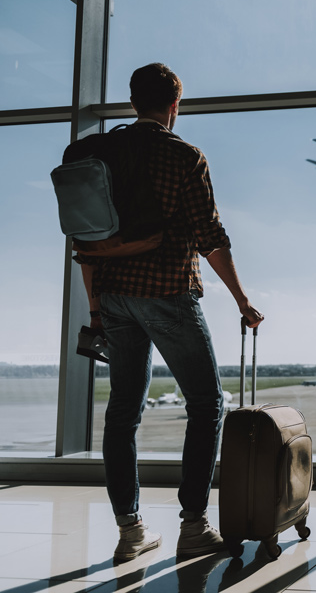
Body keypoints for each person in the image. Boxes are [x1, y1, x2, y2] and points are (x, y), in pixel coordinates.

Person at [75, 63, 263, 563]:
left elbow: (83, 238)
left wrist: (96, 307)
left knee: (123, 413)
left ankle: (130, 529)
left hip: (113, 296)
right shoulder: (184, 156)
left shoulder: (101, 153)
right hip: (166, 291)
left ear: (134, 100)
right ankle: (194, 525)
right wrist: (242, 299)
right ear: (175, 104)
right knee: (206, 404)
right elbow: (210, 237)